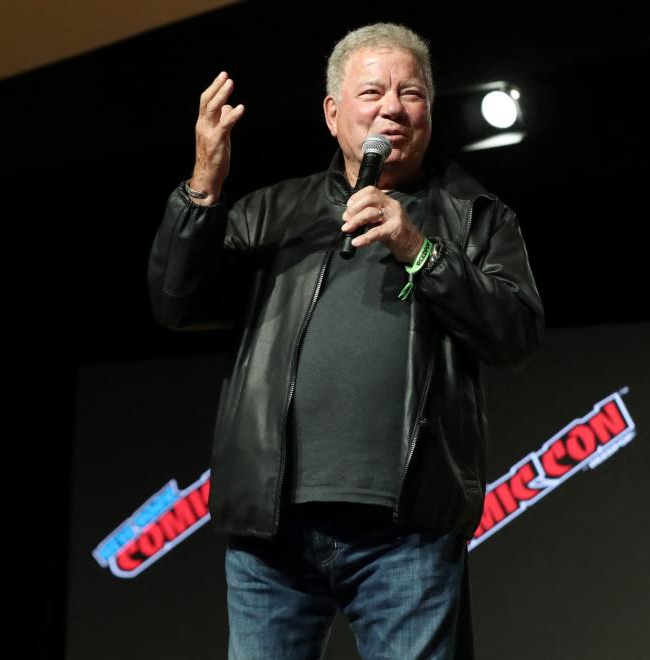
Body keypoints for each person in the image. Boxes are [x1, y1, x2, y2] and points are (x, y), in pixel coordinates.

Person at [148, 22, 544, 660]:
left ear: (430, 112)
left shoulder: (476, 215)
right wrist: (203, 189)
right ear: (334, 113)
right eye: (372, 92)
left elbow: (517, 335)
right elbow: (176, 303)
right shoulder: (271, 211)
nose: (392, 106)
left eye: (410, 93)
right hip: (271, 534)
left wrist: (418, 248)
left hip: (404, 535)